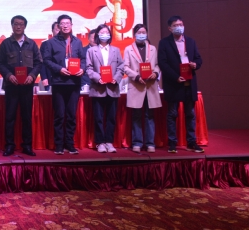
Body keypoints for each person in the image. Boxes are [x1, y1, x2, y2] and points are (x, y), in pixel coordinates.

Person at [0, 15, 42, 157]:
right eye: (16, 24)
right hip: (12, 86)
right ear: (12, 26)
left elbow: (39, 63)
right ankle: (9, 145)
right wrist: (9, 75)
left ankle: (27, 145)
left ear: (25, 26)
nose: (18, 26)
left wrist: (32, 75)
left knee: (26, 117)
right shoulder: (5, 44)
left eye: (21, 24)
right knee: (10, 117)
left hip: (27, 87)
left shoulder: (31, 44)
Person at [158, 15, 204, 153]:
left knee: (190, 114)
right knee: (172, 114)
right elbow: (162, 63)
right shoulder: (164, 43)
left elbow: (198, 59)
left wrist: (195, 64)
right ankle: (172, 143)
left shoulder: (191, 41)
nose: (179, 27)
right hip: (174, 83)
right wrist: (175, 77)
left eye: (181, 24)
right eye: (176, 25)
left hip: (189, 83)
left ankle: (191, 142)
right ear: (170, 28)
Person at [41, 14, 86, 155]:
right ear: (59, 26)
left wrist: (82, 69)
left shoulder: (77, 42)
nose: (65, 25)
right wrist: (59, 69)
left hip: (74, 83)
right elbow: (46, 60)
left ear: (71, 25)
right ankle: (59, 145)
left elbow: (83, 59)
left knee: (71, 115)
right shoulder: (51, 43)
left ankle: (70, 144)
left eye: (68, 23)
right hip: (59, 83)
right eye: (62, 23)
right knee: (59, 115)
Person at [86, 24, 124, 153]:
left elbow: (121, 67)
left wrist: (116, 78)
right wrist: (98, 78)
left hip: (112, 88)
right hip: (98, 88)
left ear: (110, 35)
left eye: (106, 32)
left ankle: (109, 142)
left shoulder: (116, 50)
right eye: (102, 32)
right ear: (97, 35)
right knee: (98, 118)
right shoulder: (91, 50)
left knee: (111, 117)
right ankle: (100, 142)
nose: (104, 34)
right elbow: (89, 68)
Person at [124, 24, 161, 153]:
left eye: (143, 32)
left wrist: (155, 73)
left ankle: (150, 143)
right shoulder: (128, 49)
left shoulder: (153, 48)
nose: (141, 34)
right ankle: (137, 143)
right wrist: (136, 76)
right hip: (136, 85)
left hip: (150, 86)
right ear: (134, 34)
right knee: (136, 115)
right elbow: (125, 67)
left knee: (149, 115)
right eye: (139, 32)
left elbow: (157, 65)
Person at [39, 21, 61, 89]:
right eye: (57, 30)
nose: (59, 32)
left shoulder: (68, 44)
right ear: (52, 31)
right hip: (49, 77)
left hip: (64, 78)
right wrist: (44, 77)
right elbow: (41, 62)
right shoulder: (45, 44)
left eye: (60, 30)